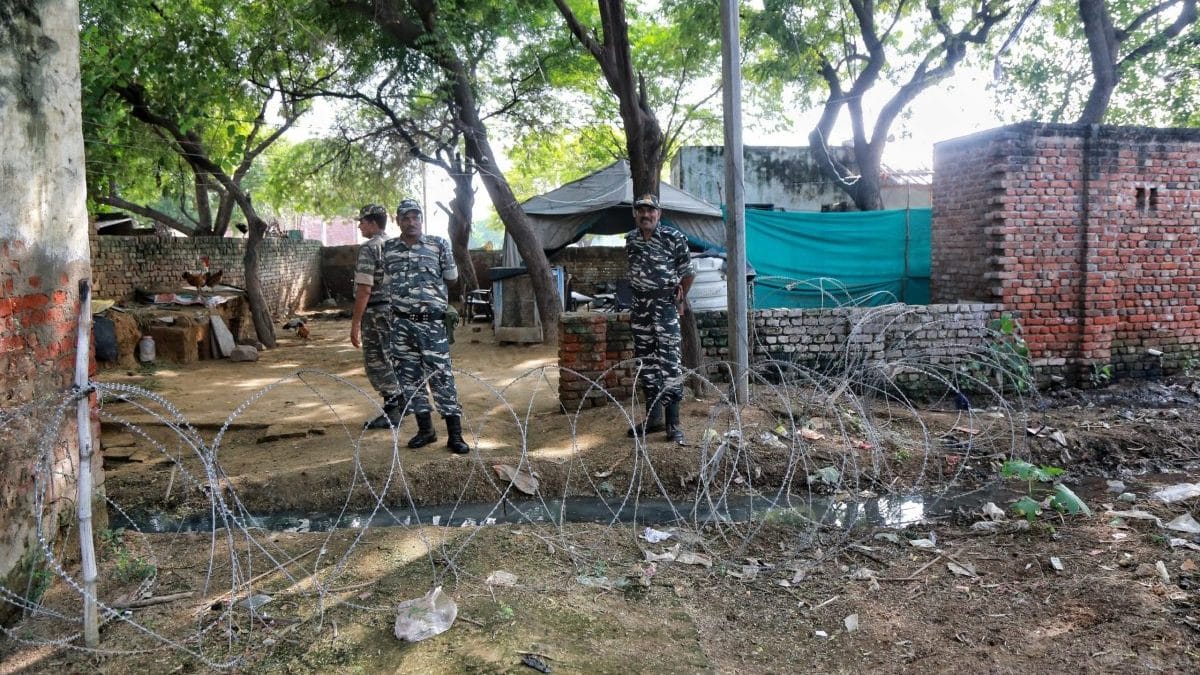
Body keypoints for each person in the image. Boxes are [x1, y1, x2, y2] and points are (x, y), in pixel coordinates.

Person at [380, 199, 470, 454]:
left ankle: (455, 435)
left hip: (431, 324)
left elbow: (452, 278)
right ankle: (426, 430)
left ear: (421, 220)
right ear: (398, 221)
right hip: (401, 325)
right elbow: (387, 280)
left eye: (415, 217)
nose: (411, 222)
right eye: (406, 218)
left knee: (442, 377)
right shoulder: (389, 249)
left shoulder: (438, 244)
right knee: (409, 378)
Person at [625, 193, 694, 443]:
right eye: (641, 211)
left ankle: (673, 423)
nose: (646, 215)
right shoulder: (631, 239)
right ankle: (653, 419)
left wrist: (679, 295)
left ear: (659, 213)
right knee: (646, 362)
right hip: (640, 307)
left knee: (669, 362)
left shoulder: (673, 238)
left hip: (665, 307)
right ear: (635, 214)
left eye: (650, 211)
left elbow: (688, 271)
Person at [349, 204, 404, 429]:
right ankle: (400, 403)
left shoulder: (370, 248)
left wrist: (355, 324)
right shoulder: (395, 246)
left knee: (378, 361)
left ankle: (392, 411)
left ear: (373, 223)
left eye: (362, 221)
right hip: (395, 310)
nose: (360, 226)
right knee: (391, 357)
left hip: (376, 313)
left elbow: (365, 290)